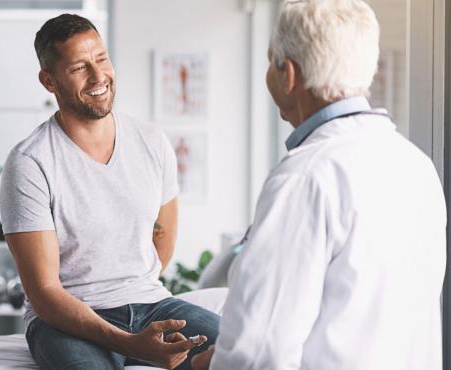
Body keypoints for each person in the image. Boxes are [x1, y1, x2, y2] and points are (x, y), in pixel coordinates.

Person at [191, 0, 446, 369]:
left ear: (289, 74)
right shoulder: (416, 165)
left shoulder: (305, 177)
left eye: (270, 62)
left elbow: (259, 352)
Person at [0, 13, 219, 370]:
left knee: (246, 352)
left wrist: (136, 310)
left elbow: (162, 244)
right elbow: (44, 292)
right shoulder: (30, 162)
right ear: (49, 81)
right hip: (65, 321)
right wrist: (131, 344)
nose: (99, 76)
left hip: (152, 303)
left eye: (101, 59)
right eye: (79, 68)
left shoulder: (151, 141)